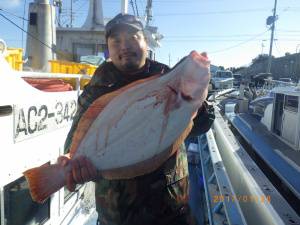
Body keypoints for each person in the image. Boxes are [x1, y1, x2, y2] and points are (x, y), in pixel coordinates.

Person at [58, 13, 213, 225]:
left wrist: (196, 106)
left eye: (133, 37)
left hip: (172, 208)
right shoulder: (95, 90)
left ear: (145, 41)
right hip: (116, 215)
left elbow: (202, 125)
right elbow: (73, 142)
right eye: (116, 41)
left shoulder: (167, 76)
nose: (125, 46)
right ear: (108, 48)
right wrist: (75, 163)